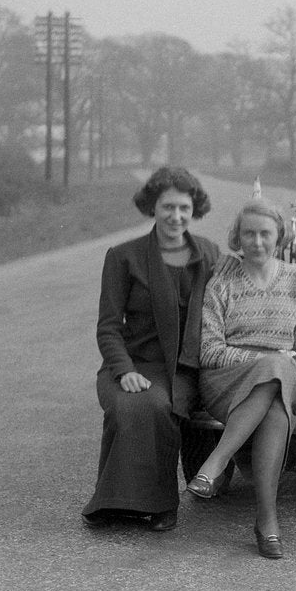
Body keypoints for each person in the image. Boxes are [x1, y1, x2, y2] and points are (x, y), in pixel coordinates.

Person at [81, 167, 219, 532]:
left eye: (184, 208)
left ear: (194, 210)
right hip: (134, 363)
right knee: (128, 404)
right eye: (167, 207)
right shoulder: (123, 256)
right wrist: (124, 370)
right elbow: (108, 326)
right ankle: (114, 501)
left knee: (159, 404)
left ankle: (160, 506)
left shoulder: (208, 254)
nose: (176, 217)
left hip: (185, 368)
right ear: (152, 208)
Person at [186, 198, 296, 559]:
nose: (257, 242)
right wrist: (267, 360)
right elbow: (210, 351)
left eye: (265, 234)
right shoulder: (222, 284)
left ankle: (216, 463)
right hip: (226, 381)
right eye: (249, 233)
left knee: (279, 386)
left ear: (280, 236)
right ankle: (266, 522)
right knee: (275, 378)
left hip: (284, 377)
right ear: (237, 236)